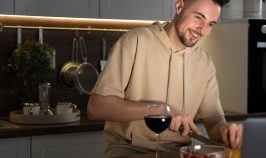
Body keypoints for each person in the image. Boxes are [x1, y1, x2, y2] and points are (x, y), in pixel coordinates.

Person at [87, 0, 243, 157]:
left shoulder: (205, 63)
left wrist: (226, 132)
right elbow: (96, 108)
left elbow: (214, 123)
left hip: (180, 153)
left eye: (210, 24)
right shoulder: (135, 41)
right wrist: (161, 110)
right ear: (179, 6)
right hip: (131, 152)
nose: (202, 30)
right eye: (198, 17)